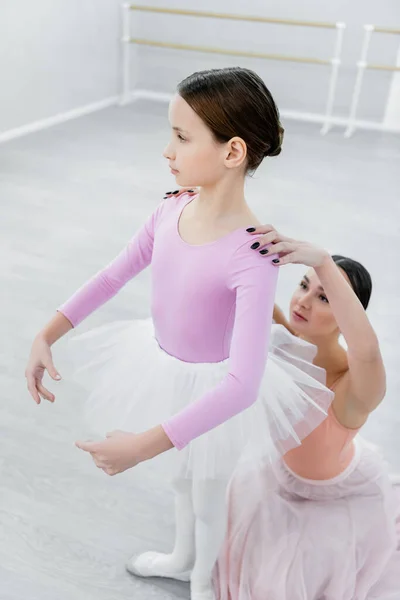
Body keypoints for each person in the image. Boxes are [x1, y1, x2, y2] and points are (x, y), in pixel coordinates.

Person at [24, 68, 333, 600]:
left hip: (215, 391)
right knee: (182, 480)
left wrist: (142, 446)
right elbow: (112, 275)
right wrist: (46, 332)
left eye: (182, 137)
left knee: (209, 491)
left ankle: (203, 581)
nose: (167, 150)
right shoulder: (170, 208)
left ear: (232, 152)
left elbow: (242, 385)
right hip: (163, 363)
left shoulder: (254, 254)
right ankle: (182, 556)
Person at [214, 225, 400, 600]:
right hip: (276, 477)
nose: (303, 302)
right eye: (303, 285)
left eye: (325, 298)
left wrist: (324, 264)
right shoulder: (285, 337)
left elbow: (367, 351)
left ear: (348, 316)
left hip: (337, 497)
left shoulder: (354, 386)